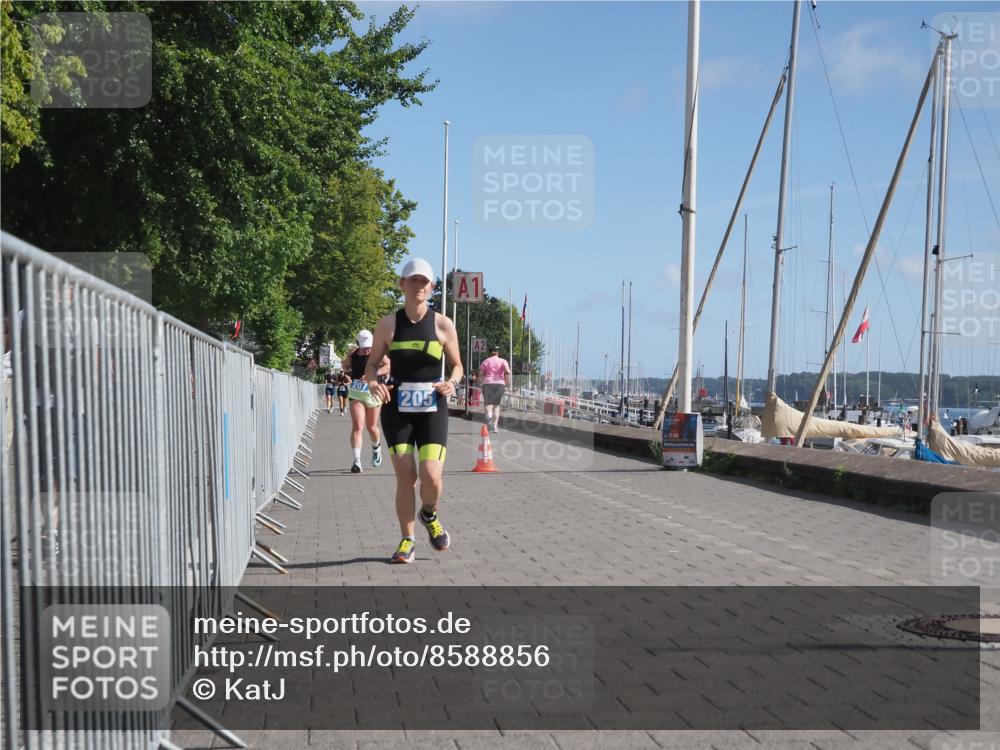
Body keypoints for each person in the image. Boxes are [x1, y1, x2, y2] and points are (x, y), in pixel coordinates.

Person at [366, 257, 463, 564]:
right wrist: (373, 383)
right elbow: (371, 365)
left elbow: (458, 366)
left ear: (431, 287)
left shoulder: (443, 324)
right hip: (397, 408)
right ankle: (407, 540)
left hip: (433, 407)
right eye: (413, 280)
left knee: (431, 476)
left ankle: (429, 514)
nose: (418, 286)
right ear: (402, 285)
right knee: (406, 476)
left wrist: (452, 383)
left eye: (424, 281)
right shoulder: (387, 324)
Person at [341, 330, 389, 473]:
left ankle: (376, 448)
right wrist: (347, 359)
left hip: (373, 392)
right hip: (357, 393)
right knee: (357, 426)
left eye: (369, 346)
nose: (367, 350)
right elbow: (344, 366)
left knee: (372, 427)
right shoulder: (354, 354)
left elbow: (388, 366)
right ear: (359, 344)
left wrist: (373, 373)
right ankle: (356, 461)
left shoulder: (377, 352)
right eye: (364, 347)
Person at [478, 345, 511, 433]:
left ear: (490, 353)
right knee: (496, 406)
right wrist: (507, 381)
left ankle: (489, 418)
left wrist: (481, 382)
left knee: (488, 405)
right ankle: (494, 427)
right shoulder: (503, 361)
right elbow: (508, 372)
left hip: (487, 383)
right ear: (498, 353)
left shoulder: (485, 361)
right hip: (499, 384)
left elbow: (481, 374)